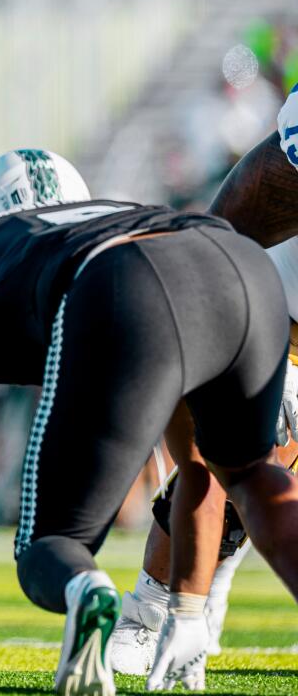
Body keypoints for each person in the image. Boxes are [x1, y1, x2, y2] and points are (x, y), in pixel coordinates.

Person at [0, 149, 298, 695]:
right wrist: (186, 611)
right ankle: (189, 619)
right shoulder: (120, 212)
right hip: (244, 265)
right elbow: (196, 468)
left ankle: (87, 591)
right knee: (250, 477)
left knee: (50, 545)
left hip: (125, 283)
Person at [110, 80, 298, 679]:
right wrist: (266, 349)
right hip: (279, 307)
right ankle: (148, 609)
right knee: (236, 459)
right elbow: (220, 248)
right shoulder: (275, 177)